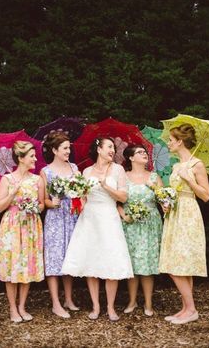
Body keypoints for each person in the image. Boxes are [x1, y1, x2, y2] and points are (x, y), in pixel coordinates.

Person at [61, 137, 133, 321]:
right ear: (99, 149)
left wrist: (105, 186)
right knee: (90, 261)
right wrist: (76, 197)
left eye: (113, 148)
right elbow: (83, 197)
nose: (112, 150)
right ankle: (96, 306)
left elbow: (123, 198)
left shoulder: (118, 170)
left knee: (111, 261)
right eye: (109, 146)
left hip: (109, 217)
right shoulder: (86, 171)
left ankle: (110, 307)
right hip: (90, 219)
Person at [159, 123, 209, 324]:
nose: (169, 143)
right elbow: (174, 192)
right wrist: (166, 203)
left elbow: (205, 195)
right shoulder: (176, 165)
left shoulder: (196, 165)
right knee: (179, 263)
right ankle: (185, 308)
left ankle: (191, 309)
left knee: (177, 265)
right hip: (175, 214)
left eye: (171, 140)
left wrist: (190, 180)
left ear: (180, 141)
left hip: (189, 215)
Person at [0, 141, 45, 323]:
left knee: (27, 266)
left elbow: (41, 205)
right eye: (32, 156)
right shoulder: (7, 179)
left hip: (31, 226)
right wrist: (12, 193)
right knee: (12, 266)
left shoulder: (37, 180)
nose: (35, 159)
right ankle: (12, 308)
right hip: (12, 226)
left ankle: (22, 306)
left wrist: (33, 207)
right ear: (21, 158)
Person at [118, 144, 163, 316]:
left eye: (145, 152)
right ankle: (132, 301)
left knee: (147, 264)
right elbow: (116, 201)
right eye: (140, 152)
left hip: (150, 224)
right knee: (133, 264)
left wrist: (165, 202)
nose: (144, 154)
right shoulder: (124, 177)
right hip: (130, 224)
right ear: (130, 158)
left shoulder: (154, 177)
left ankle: (149, 304)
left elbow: (163, 199)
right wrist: (124, 215)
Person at [40, 131, 79, 319]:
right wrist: (51, 202)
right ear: (55, 150)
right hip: (55, 218)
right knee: (55, 259)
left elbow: (80, 192)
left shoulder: (74, 168)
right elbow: (43, 201)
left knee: (69, 258)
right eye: (65, 148)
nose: (68, 151)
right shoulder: (45, 172)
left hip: (72, 216)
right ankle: (56, 303)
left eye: (69, 148)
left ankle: (69, 299)